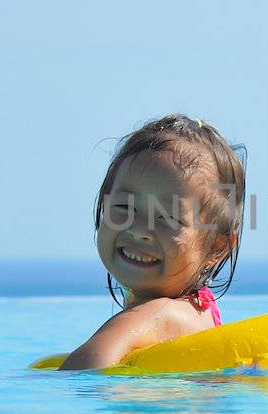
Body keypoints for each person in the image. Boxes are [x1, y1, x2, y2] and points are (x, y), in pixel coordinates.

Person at [61, 114, 244, 370]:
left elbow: (83, 372)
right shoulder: (197, 311)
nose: (139, 230)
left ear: (216, 247)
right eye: (125, 207)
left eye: (168, 217)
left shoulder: (157, 317)